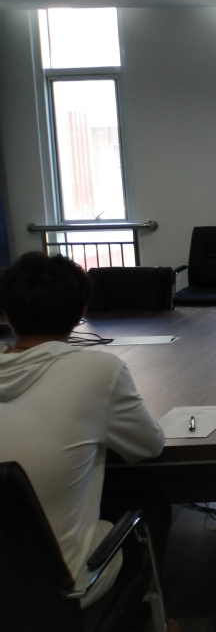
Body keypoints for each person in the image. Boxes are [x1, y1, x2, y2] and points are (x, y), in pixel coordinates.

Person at [0, 253, 165, 608]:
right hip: (61, 590)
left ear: (6, 315)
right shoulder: (98, 371)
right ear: (80, 315)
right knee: (151, 506)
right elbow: (149, 447)